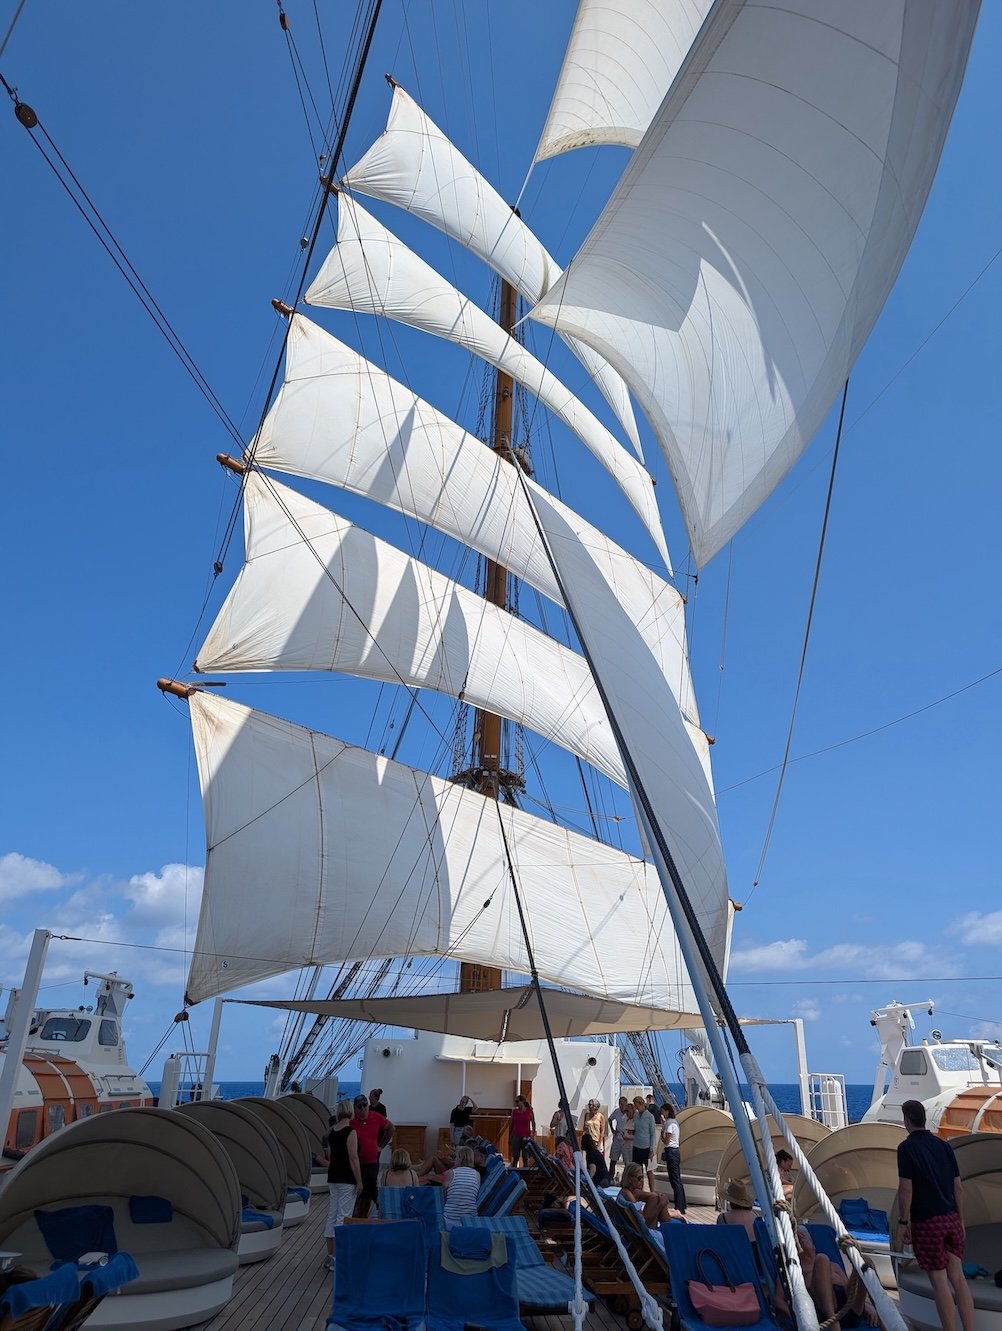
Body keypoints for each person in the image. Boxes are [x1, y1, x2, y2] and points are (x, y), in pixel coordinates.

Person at [898, 1098, 974, 1331]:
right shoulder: (944, 1146)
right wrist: (960, 1219)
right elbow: (958, 1187)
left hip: (927, 1222)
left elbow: (906, 1188)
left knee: (939, 1281)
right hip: (950, 1217)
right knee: (958, 1278)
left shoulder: (906, 1148)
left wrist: (903, 1222)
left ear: (907, 1120)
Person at [325, 1099, 362, 1270]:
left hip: (333, 1177)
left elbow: (331, 1157)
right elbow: (353, 1158)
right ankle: (338, 1258)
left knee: (332, 1215)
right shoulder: (350, 1131)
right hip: (347, 1179)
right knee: (343, 1216)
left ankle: (330, 1254)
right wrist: (359, 1181)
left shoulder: (332, 1132)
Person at [350, 1092, 394, 1217]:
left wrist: (381, 1146)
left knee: (369, 1185)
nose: (363, 1108)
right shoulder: (351, 1121)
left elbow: (391, 1128)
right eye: (359, 1106)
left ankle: (376, 1206)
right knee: (361, 1192)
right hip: (357, 1162)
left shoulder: (375, 1116)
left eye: (365, 1105)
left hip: (372, 1161)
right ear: (355, 1108)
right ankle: (363, 1214)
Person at [619, 1161, 684, 1228]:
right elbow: (641, 1222)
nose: (642, 1181)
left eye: (643, 1178)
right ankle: (671, 1226)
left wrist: (660, 1197)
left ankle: (671, 1220)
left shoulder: (630, 1191)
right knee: (657, 1200)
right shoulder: (627, 1194)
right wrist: (661, 1205)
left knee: (656, 1198)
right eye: (639, 1178)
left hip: (637, 1227)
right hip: (642, 1231)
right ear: (630, 1179)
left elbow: (653, 1195)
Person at [442, 1145, 481, 1229]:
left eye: (456, 1157)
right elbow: (474, 1196)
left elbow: (444, 1197)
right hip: (470, 1222)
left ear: (460, 1158)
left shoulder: (450, 1173)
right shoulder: (477, 1175)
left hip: (449, 1221)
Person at [661, 1103, 686, 1214]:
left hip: (671, 1151)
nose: (662, 1113)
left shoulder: (670, 1124)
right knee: (676, 1179)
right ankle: (681, 1204)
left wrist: (662, 1136)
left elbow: (666, 1140)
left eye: (663, 1111)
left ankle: (679, 1206)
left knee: (675, 1179)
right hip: (674, 1151)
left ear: (667, 1111)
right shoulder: (673, 1122)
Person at [716, 1177, 757, 1242]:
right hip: (752, 1250)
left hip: (733, 1250)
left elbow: (720, 1238)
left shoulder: (723, 1217)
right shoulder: (754, 1216)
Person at [631, 1095, 657, 1190]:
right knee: (637, 1171)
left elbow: (652, 1133)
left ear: (642, 1104)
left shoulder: (650, 1117)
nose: (636, 1107)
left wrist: (651, 1149)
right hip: (636, 1146)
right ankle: (639, 1190)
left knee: (649, 1171)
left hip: (646, 1147)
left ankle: (652, 1191)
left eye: (637, 1105)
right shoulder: (636, 1116)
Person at [608, 1096, 630, 1181]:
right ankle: (610, 1178)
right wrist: (612, 1130)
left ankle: (625, 1179)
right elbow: (610, 1119)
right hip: (617, 1138)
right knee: (613, 1159)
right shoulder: (616, 1112)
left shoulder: (628, 1113)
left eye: (623, 1104)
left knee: (626, 1161)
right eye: (620, 1103)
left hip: (626, 1139)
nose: (621, 1105)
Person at [509, 1094, 535, 1166]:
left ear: (522, 1102)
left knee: (525, 1157)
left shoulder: (529, 1111)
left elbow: (533, 1123)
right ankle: (514, 1170)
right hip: (516, 1135)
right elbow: (511, 1124)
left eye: (517, 1101)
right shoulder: (514, 1112)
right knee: (515, 1157)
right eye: (515, 1102)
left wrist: (533, 1135)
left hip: (526, 1136)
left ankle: (525, 1173)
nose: (516, 1103)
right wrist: (510, 1136)